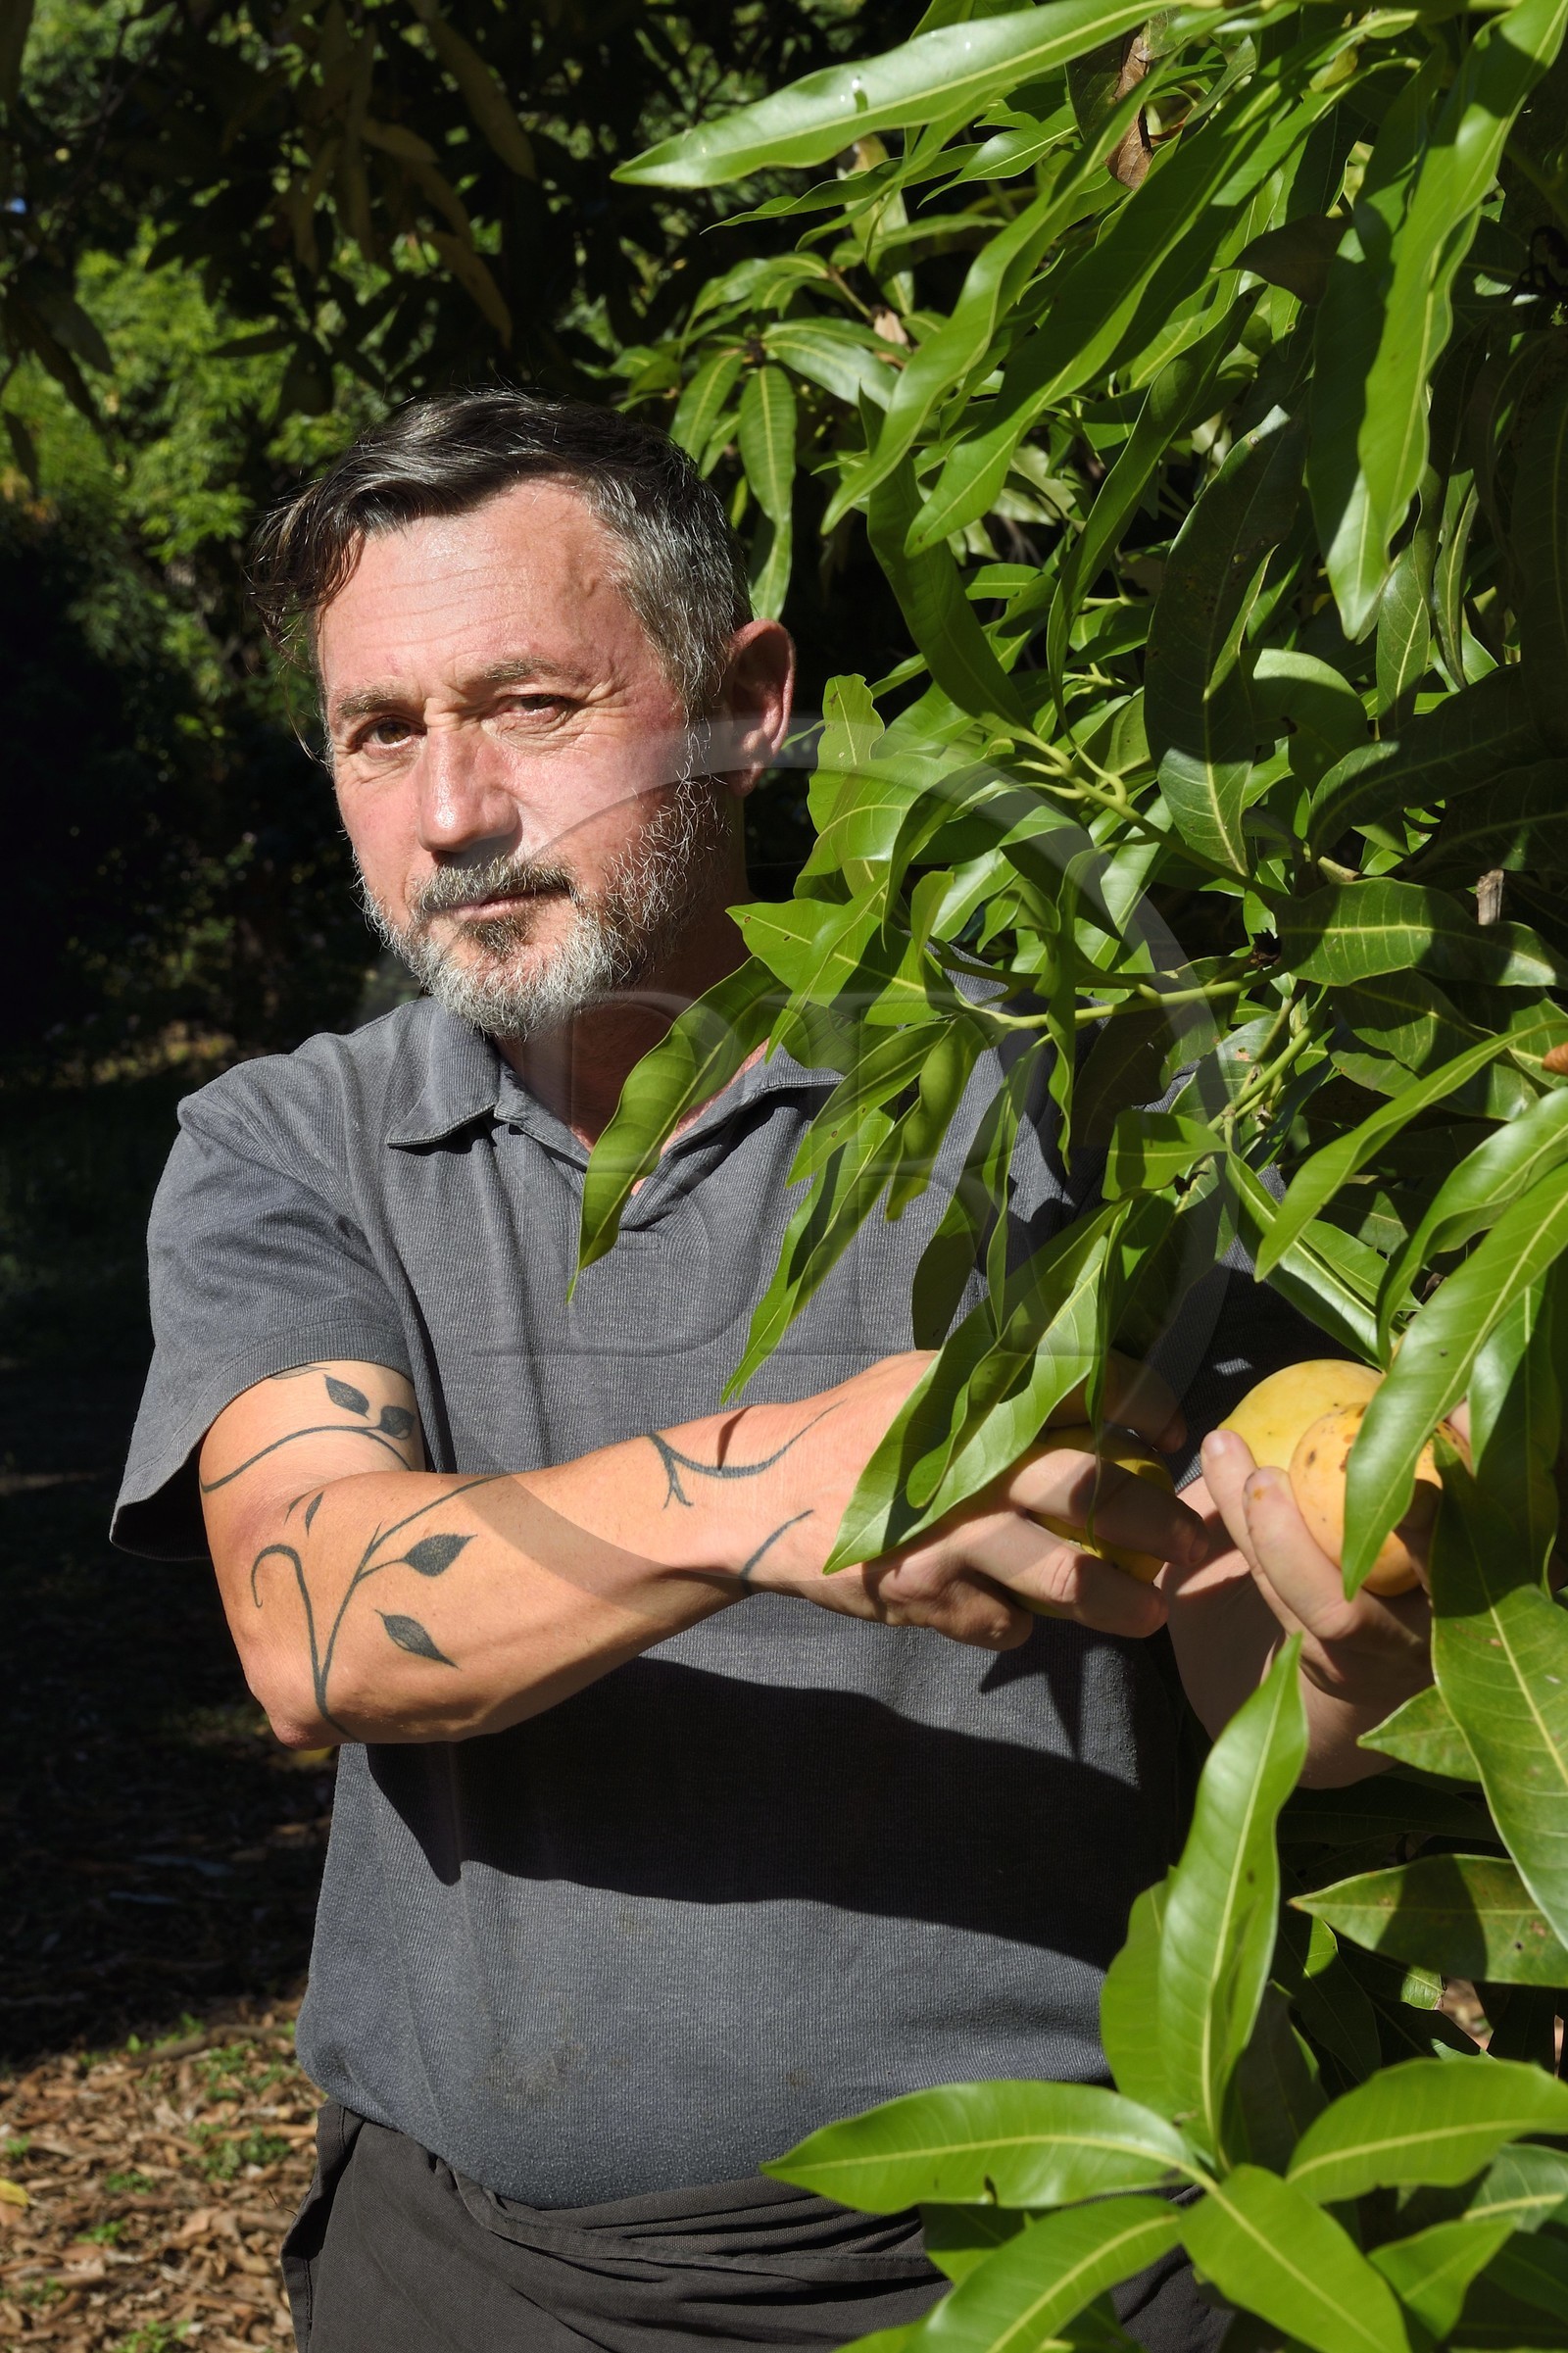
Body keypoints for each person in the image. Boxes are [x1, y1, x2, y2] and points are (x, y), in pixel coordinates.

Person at [113, 393, 1432, 2353]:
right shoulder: (288, 1148)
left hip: (1057, 2258)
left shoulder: (1066, 1091)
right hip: (490, 2284)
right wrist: (778, 1480)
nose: (453, 807)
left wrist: (1344, 1655)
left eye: (532, 706)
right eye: (381, 731)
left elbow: (1240, 1666)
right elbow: (318, 1617)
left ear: (742, 700)